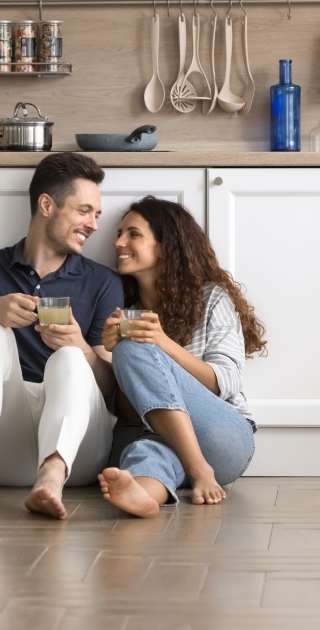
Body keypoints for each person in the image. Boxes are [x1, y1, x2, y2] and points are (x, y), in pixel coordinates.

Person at [0, 152, 123, 520]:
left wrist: (79, 345)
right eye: (84, 211)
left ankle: (50, 479)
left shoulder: (103, 281)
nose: (93, 225)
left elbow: (109, 388)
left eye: (97, 215)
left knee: (70, 358)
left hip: (76, 455)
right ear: (46, 204)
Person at [98, 196, 266, 518]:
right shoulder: (123, 313)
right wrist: (111, 357)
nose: (118, 242)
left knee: (133, 347)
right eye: (119, 233)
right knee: (147, 450)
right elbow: (130, 411)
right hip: (164, 439)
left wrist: (160, 343)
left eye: (133, 234)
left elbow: (225, 383)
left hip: (223, 437)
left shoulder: (211, 298)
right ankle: (143, 494)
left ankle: (199, 469)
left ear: (165, 246)